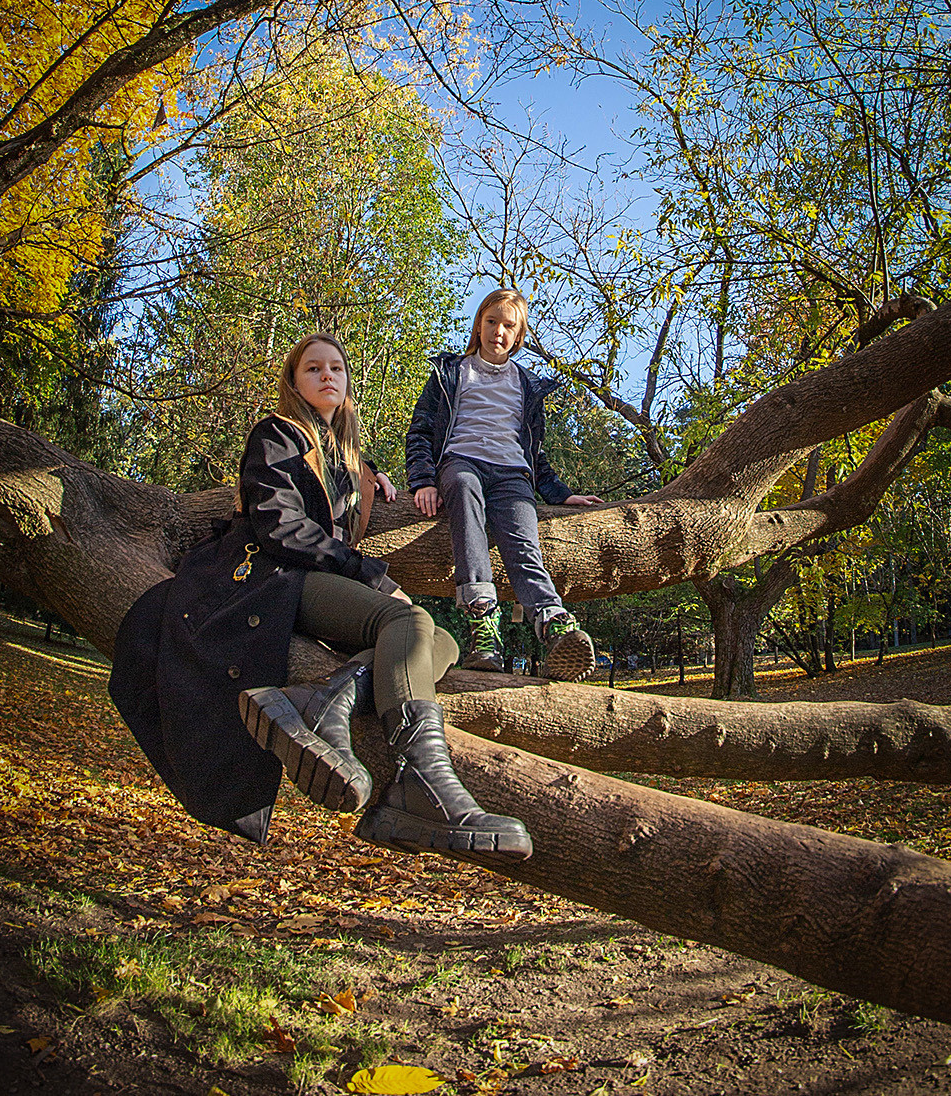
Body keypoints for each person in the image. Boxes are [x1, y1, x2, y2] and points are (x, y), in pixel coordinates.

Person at [109, 333, 532, 862]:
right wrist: (370, 574)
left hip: (310, 583)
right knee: (409, 623)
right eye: (313, 368)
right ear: (294, 383)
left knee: (439, 637)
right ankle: (423, 784)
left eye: (336, 367)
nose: (327, 375)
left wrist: (370, 475)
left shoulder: (347, 458)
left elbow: (337, 479)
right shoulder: (275, 435)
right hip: (270, 577)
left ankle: (330, 696)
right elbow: (281, 528)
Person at [406, 288, 603, 682]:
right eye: (491, 321)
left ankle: (553, 622)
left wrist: (562, 495)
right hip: (460, 463)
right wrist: (423, 480)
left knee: (522, 541)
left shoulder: (527, 386)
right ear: (478, 324)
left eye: (508, 326)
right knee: (462, 492)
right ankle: (483, 626)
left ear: (518, 336)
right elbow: (421, 431)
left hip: (512, 474)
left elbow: (535, 453)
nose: (498, 330)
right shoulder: (450, 373)